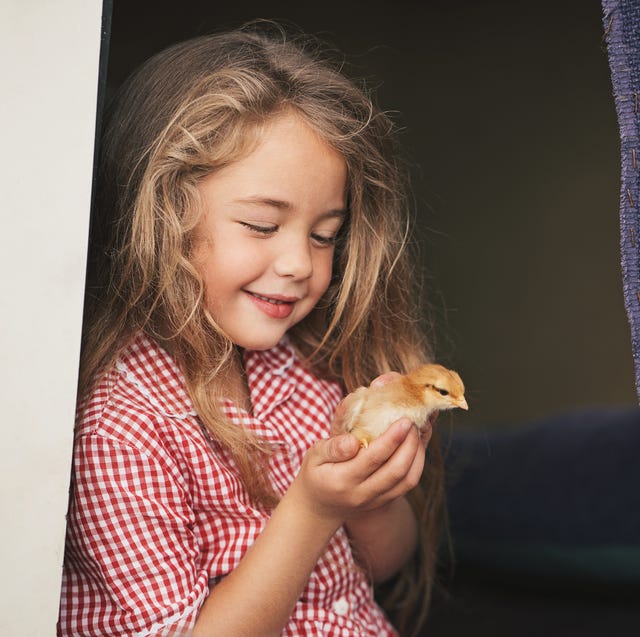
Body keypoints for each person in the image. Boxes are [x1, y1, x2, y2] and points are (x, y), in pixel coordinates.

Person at [58, 23, 447, 637]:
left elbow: (382, 564)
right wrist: (314, 509)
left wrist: (374, 494)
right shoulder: (123, 427)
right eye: (263, 226)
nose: (300, 263)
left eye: (324, 235)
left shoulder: (308, 379)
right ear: (163, 218)